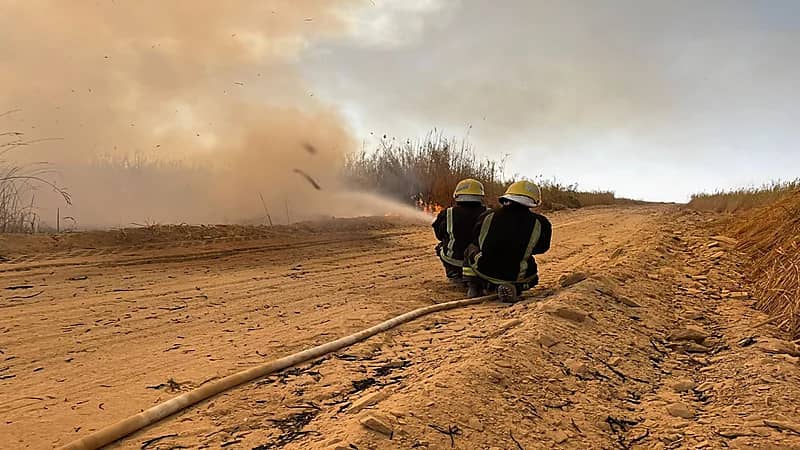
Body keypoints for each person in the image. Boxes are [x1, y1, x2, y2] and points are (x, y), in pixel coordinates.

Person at [464, 180, 552, 302]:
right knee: (531, 274)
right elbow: (542, 248)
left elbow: (476, 240)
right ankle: (514, 288)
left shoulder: (488, 215)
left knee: (471, 248)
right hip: (518, 276)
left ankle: (474, 285)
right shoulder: (541, 222)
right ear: (533, 201)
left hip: (485, 270)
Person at [432, 178, 488, 284]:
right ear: (480, 196)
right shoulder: (489, 214)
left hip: (454, 261)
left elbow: (439, 235)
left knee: (439, 247)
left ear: (457, 195)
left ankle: (454, 273)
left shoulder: (447, 213)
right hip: (479, 262)